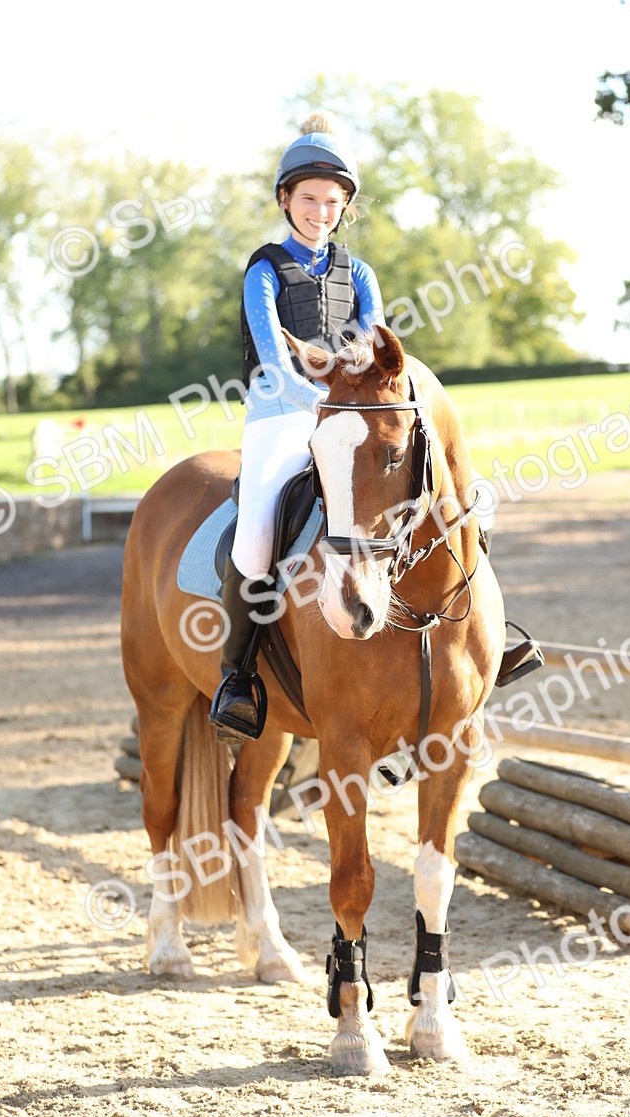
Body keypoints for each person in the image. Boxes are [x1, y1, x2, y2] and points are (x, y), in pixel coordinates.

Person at [210, 114, 385, 743]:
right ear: (286, 199)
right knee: (257, 531)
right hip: (279, 413)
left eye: (332, 202)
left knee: (427, 488)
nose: (320, 210)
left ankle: (471, 638)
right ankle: (236, 677)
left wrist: (359, 395)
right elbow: (275, 360)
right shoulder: (264, 270)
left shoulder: (359, 274)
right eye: (309, 198)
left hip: (348, 417)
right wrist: (317, 396)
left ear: (344, 209)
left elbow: (373, 347)